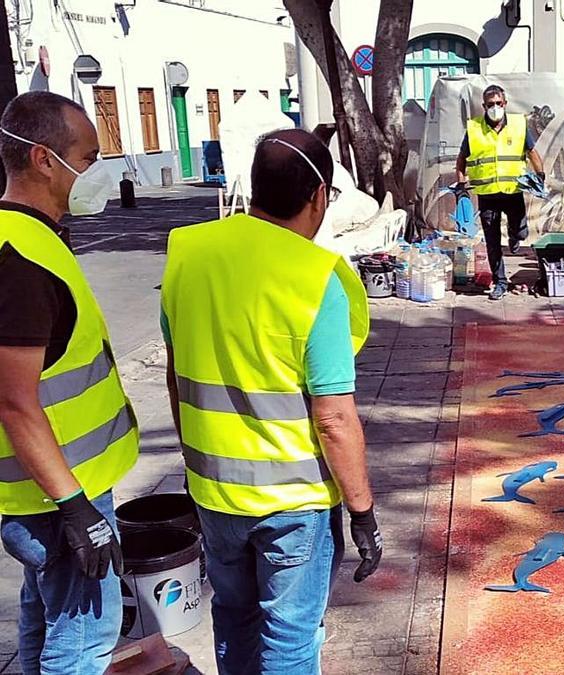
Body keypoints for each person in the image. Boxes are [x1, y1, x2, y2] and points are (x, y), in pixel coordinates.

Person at [160, 129, 383, 674]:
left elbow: (175, 375)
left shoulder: (188, 252)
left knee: (234, 614)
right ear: (320, 197)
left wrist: (195, 463)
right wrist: (363, 512)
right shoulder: (317, 278)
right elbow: (334, 418)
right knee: (289, 637)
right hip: (292, 502)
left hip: (214, 489)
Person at [0, 91, 137, 674]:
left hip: (47, 494)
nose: (96, 171)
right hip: (53, 498)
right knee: (83, 641)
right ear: (43, 160)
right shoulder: (21, 262)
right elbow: (14, 402)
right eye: (88, 157)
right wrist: (76, 508)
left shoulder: (31, 237)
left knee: (44, 621)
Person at [455, 84, 545, 300]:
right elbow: (462, 159)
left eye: (499, 103)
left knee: (521, 230)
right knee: (492, 241)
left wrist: (540, 176)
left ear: (505, 104)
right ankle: (500, 282)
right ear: (484, 106)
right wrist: (460, 184)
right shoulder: (475, 129)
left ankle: (516, 236)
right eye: (490, 104)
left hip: (513, 191)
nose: (495, 107)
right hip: (488, 196)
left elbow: (531, 152)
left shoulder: (518, 125)